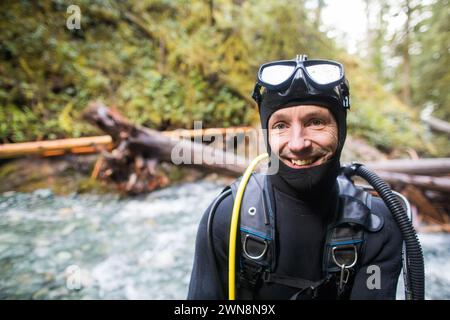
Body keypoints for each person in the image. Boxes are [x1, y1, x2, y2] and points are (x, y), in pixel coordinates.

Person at [187, 54, 404, 300]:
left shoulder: (377, 226)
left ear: (341, 130)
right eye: (280, 125)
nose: (298, 144)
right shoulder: (227, 217)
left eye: (316, 122)